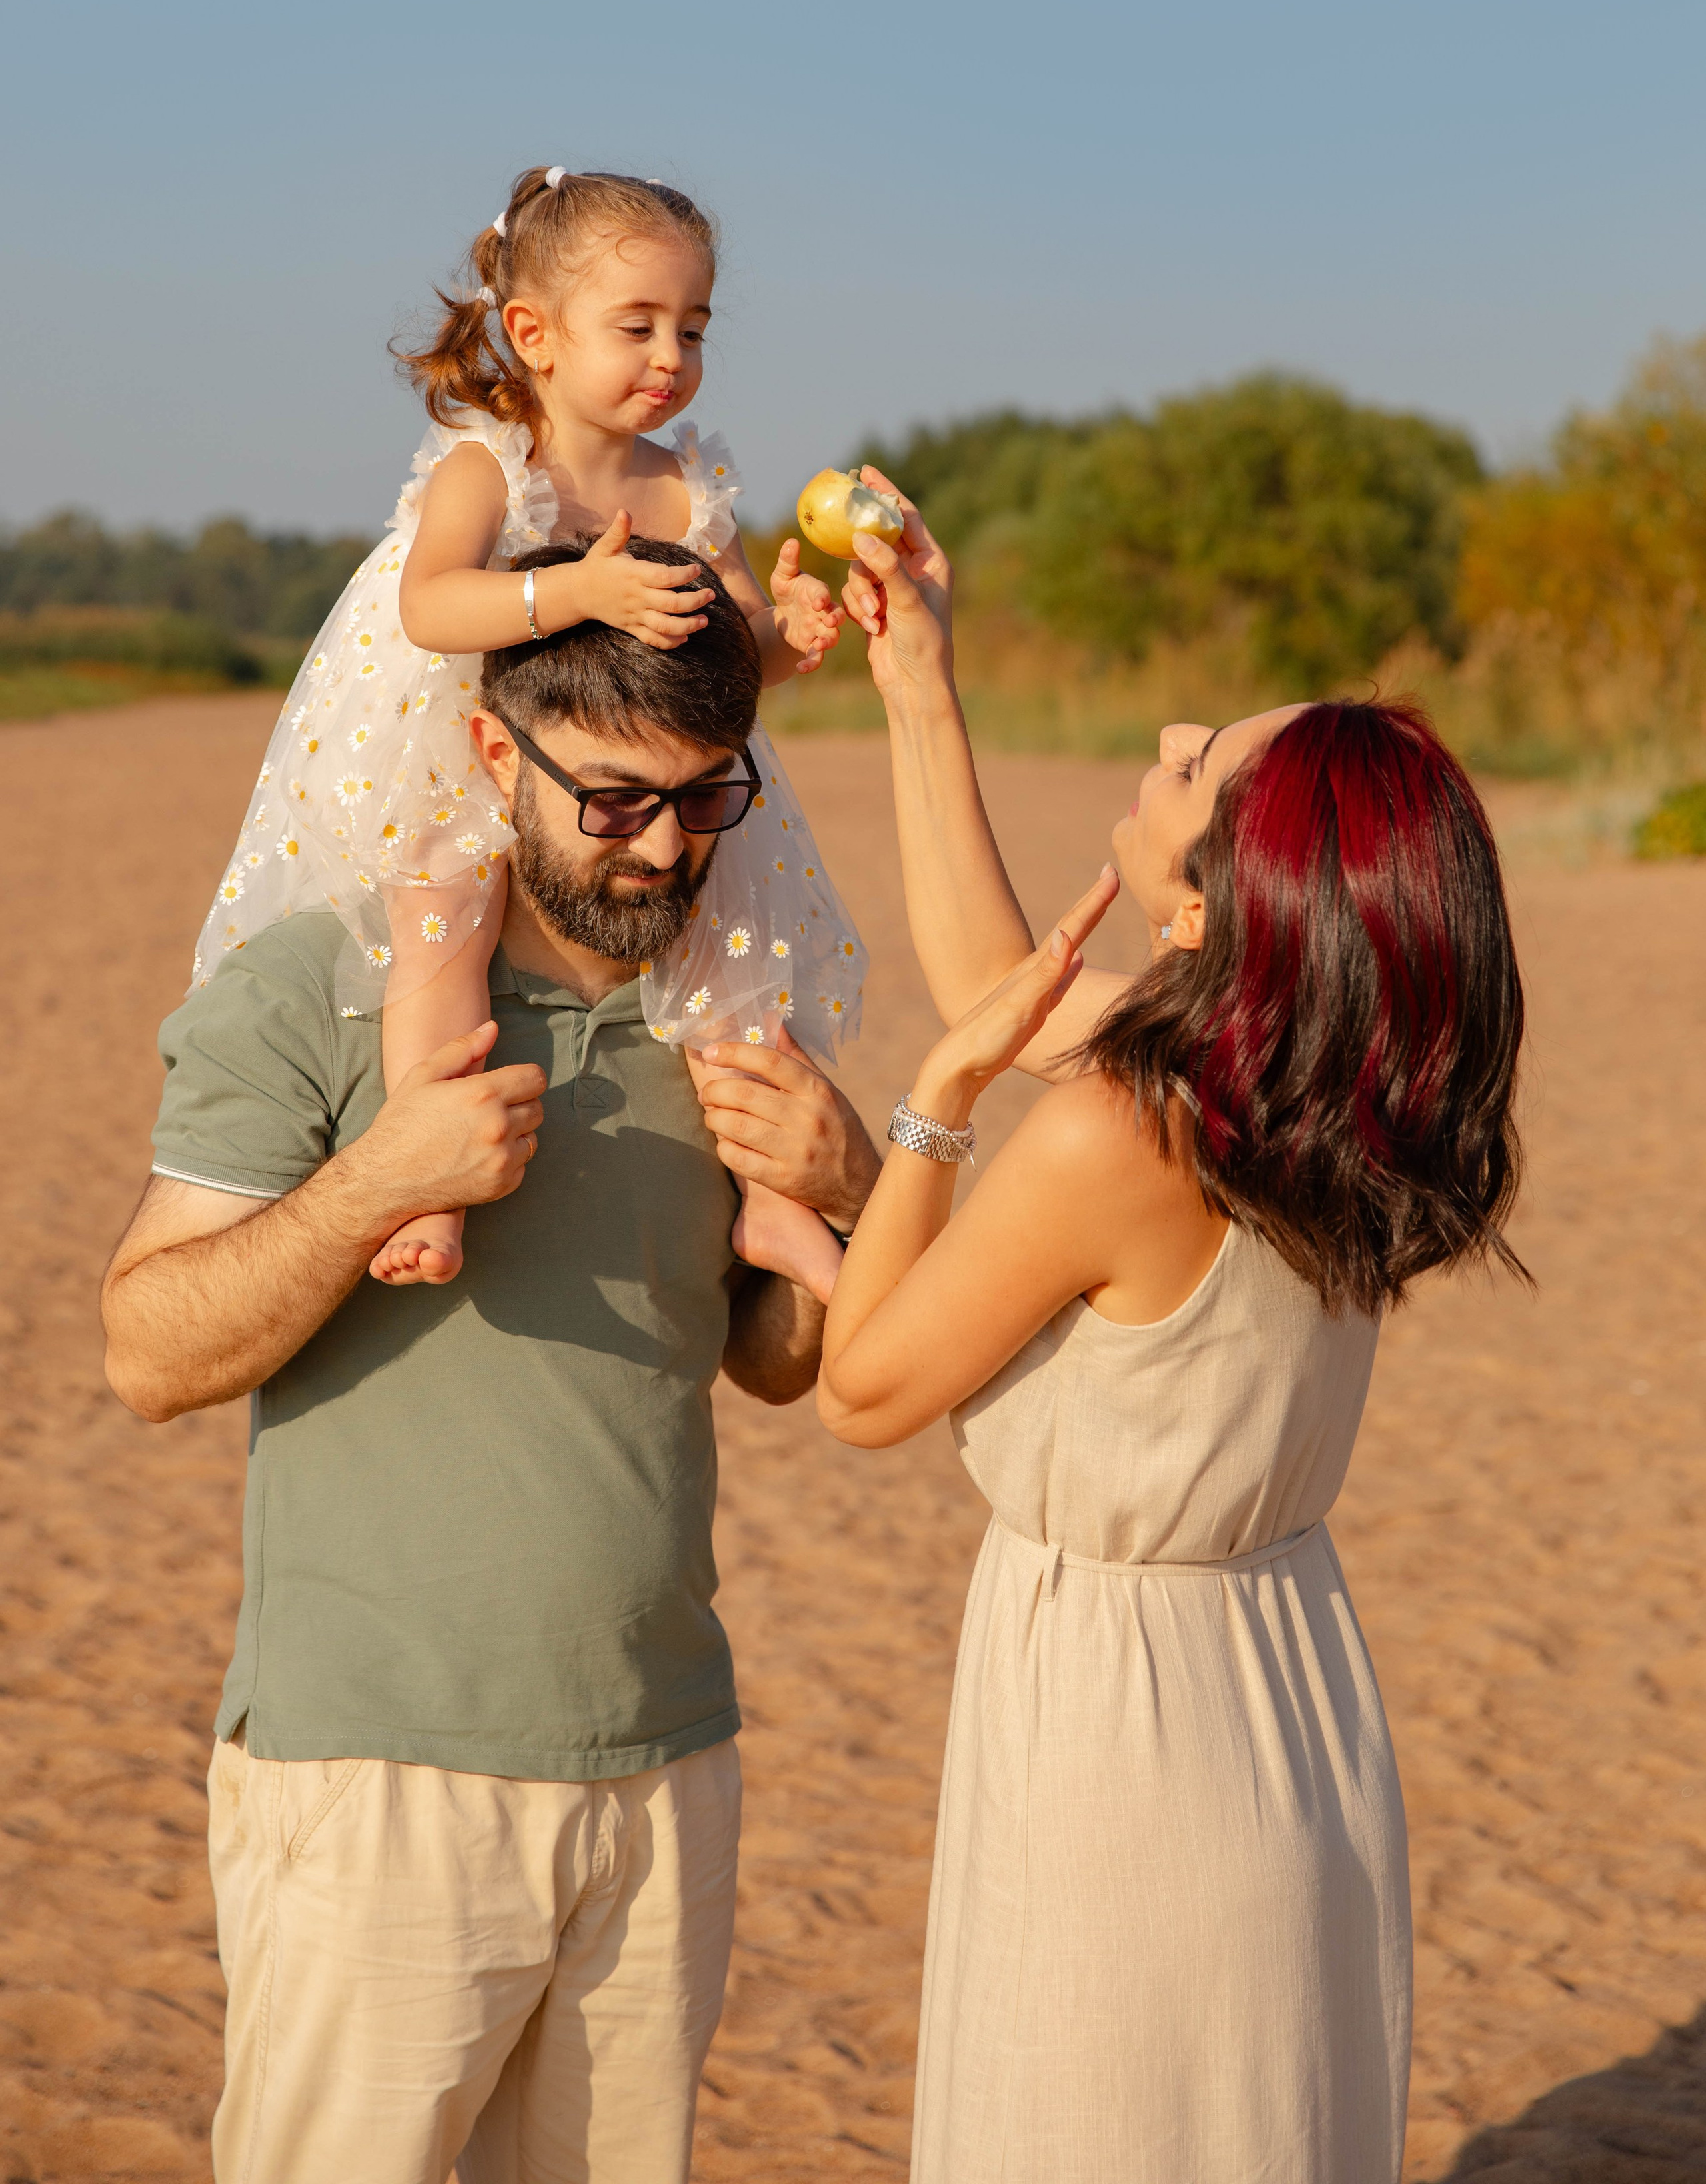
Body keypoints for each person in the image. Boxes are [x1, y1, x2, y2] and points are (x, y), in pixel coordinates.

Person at [101, 554, 881, 2184]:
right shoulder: (323, 990)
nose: (663, 846)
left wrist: (843, 1187)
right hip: (375, 1781)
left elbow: (770, 1362)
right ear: (483, 755)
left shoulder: (726, 1013)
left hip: (667, 1776)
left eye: (701, 800)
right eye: (609, 801)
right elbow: (147, 1350)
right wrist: (382, 1178)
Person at [823, 501, 1527, 2183]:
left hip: (1118, 1743)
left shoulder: (1115, 1136)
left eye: (1197, 762)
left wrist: (920, 1114)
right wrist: (919, 683)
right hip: (1284, 1697)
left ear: (1220, 902)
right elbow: (1001, 974)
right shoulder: (1325, 1090)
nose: (1162, 738)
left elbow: (858, 1388)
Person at [190, 162, 864, 1295]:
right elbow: (431, 602)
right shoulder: (493, 464)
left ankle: (777, 1207)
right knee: (440, 931)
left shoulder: (689, 482)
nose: (671, 360)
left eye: (692, 331)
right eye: (637, 326)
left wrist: (787, 631)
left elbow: (731, 656)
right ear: (533, 333)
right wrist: (576, 595)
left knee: (732, 953)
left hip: (644, 768)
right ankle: (430, 1170)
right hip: (461, 744)